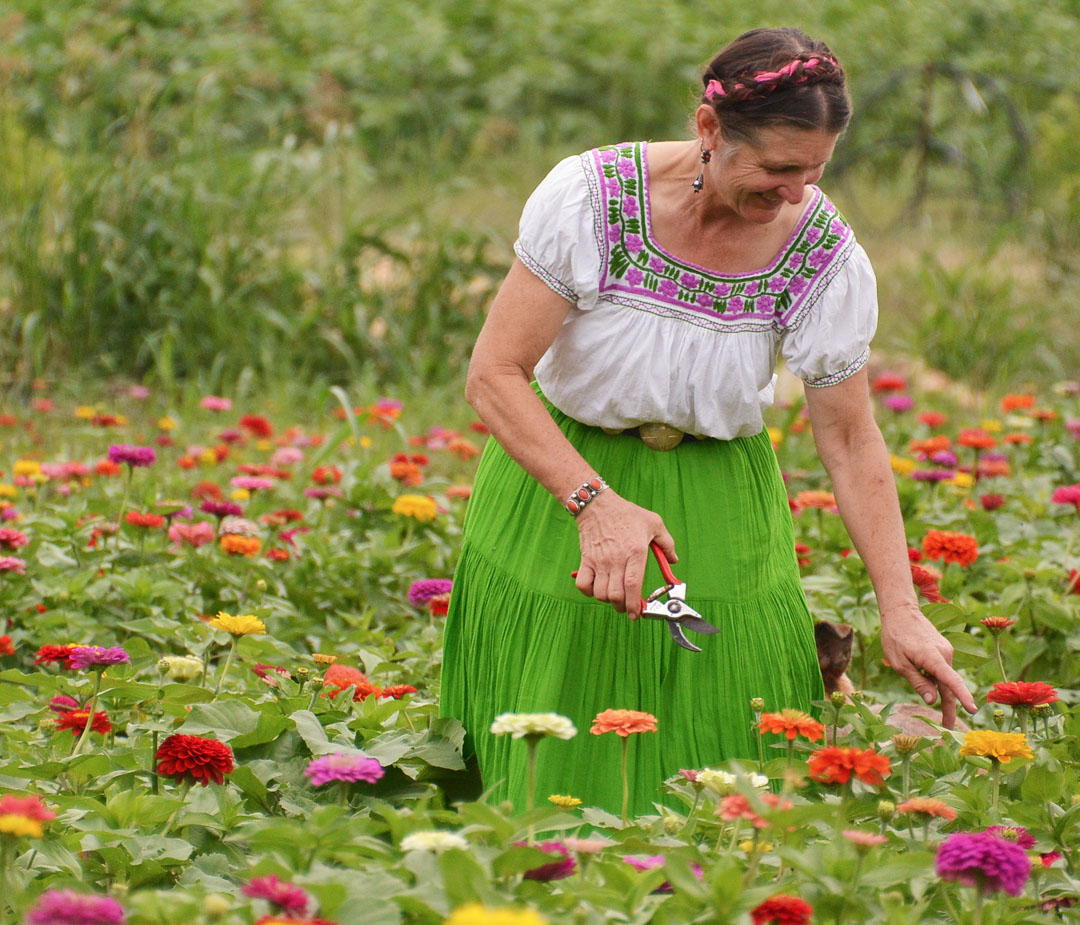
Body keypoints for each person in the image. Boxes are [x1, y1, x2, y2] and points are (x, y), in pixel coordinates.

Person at [441, 26, 977, 817]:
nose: (796, 192)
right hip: (559, 490)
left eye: (815, 170)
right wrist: (595, 505)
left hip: (721, 503)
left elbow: (850, 436)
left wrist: (900, 607)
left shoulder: (819, 250)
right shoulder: (593, 199)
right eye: (777, 169)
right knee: (552, 750)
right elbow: (493, 375)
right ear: (708, 130)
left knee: (732, 737)